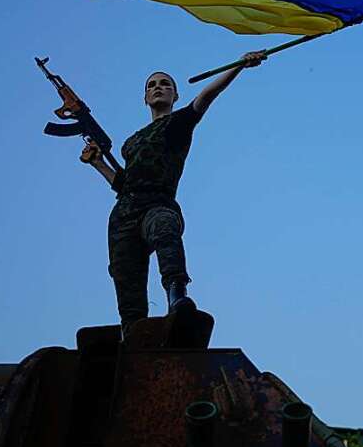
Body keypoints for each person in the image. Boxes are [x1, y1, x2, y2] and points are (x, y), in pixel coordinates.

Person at [81, 52, 266, 338]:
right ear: (144, 98)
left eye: (165, 84)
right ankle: (132, 331)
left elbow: (206, 96)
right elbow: (123, 183)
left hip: (158, 202)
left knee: (164, 228)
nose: (157, 87)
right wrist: (98, 164)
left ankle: (176, 297)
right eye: (152, 85)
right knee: (124, 273)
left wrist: (240, 65)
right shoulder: (132, 142)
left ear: (175, 95)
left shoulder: (178, 124)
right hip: (123, 212)